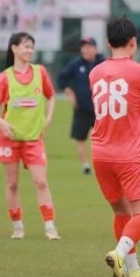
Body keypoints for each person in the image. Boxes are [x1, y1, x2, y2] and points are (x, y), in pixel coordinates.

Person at [90, 17, 140, 277]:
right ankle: (119, 251)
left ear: (108, 42)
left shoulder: (95, 72)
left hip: (101, 153)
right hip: (131, 155)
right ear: (133, 42)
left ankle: (133, 270)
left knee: (120, 212)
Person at [0, 32, 59, 241]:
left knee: (41, 181)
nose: (29, 50)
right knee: (12, 184)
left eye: (31, 47)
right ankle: (18, 226)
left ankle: (50, 226)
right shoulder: (4, 78)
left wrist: (48, 119)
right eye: (26, 46)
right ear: (14, 48)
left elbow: (51, 96)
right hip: (10, 139)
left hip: (33, 138)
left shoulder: (40, 72)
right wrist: (1, 123)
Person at [58, 37, 105, 175]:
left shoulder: (103, 63)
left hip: (101, 109)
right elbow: (62, 79)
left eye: (89, 47)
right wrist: (69, 92)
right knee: (80, 138)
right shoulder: (76, 64)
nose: (86, 50)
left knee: (102, 139)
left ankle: (102, 164)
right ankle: (85, 165)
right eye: (83, 47)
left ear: (96, 49)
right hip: (82, 108)